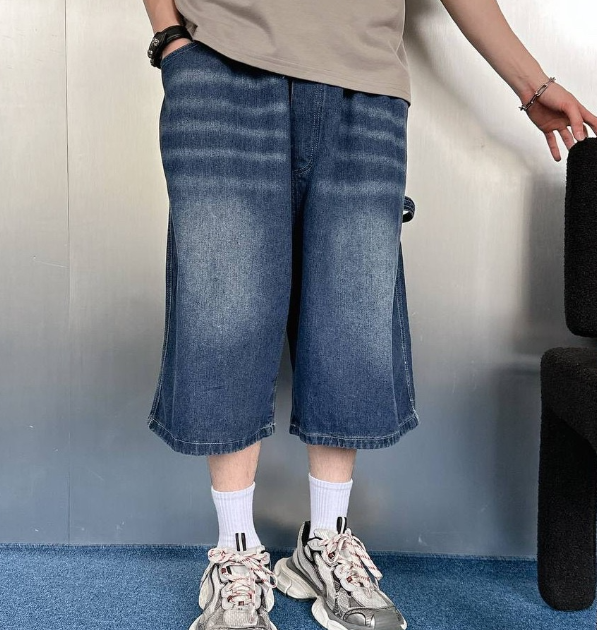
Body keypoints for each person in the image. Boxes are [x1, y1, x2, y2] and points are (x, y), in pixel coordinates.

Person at [141, 1, 597, 629]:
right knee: (225, 308)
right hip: (221, 67)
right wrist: (170, 38)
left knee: (351, 314)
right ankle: (236, 552)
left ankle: (324, 544)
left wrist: (533, 86)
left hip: (365, 82)